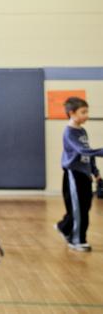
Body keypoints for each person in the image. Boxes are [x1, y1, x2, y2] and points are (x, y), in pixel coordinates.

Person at [55, 97, 102, 252]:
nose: (87, 115)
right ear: (72, 113)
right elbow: (82, 151)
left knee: (85, 206)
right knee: (79, 209)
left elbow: (88, 153)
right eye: (83, 112)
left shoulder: (82, 131)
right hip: (73, 175)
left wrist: (95, 172)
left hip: (84, 174)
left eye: (87, 111)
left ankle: (64, 227)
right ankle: (77, 240)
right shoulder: (69, 132)